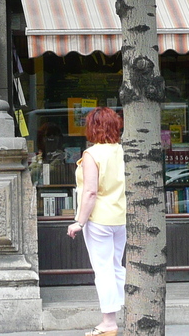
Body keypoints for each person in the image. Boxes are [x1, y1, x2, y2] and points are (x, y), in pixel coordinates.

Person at [66, 106, 126, 336]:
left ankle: (108, 323)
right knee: (116, 266)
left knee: (103, 270)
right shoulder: (122, 151)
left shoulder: (92, 155)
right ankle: (126, 310)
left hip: (99, 219)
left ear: (92, 128)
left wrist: (79, 223)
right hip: (120, 217)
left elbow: (90, 192)